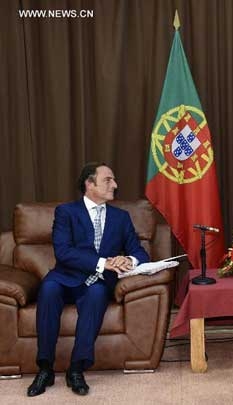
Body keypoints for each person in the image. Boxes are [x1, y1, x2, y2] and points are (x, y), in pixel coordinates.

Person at [27, 162, 149, 397]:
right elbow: (63, 252)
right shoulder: (66, 212)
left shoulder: (121, 217)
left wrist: (129, 261)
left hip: (99, 282)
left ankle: (76, 368)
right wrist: (104, 262)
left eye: (113, 180)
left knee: (96, 294)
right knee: (48, 289)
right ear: (89, 184)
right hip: (65, 276)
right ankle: (45, 368)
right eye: (108, 180)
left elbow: (140, 252)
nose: (115, 184)